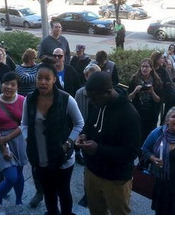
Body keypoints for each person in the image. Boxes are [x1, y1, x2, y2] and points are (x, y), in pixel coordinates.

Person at [75, 71, 141, 215]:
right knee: (97, 213)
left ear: (108, 92)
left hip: (116, 179)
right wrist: (83, 134)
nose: (92, 101)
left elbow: (131, 152)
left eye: (94, 98)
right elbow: (89, 124)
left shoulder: (129, 114)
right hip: (92, 172)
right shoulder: (98, 102)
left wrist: (98, 149)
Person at [22, 63, 84, 215]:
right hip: (39, 156)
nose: (43, 82)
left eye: (47, 78)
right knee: (48, 192)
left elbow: (79, 123)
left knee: (63, 191)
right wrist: (28, 139)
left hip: (61, 156)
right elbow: (23, 124)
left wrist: (68, 143)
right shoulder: (29, 99)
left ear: (54, 79)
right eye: (39, 78)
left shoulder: (66, 99)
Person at [0, 72, 28, 208]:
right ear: (1, 84)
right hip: (0, 142)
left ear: (17, 87)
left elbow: (24, 124)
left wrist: (8, 138)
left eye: (13, 84)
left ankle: (19, 201)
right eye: (6, 83)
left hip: (18, 139)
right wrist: (4, 147)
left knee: (19, 174)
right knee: (11, 177)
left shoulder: (23, 100)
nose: (9, 87)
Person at [74, 63, 101, 206]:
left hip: (101, 136)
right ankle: (88, 193)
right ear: (85, 77)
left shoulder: (105, 94)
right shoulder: (80, 93)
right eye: (91, 77)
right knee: (88, 167)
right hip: (86, 134)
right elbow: (76, 115)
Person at [128, 59, 163, 144]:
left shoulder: (157, 81)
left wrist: (152, 92)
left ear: (151, 68)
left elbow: (159, 100)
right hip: (138, 112)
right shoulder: (135, 79)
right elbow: (128, 98)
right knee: (139, 136)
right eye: (142, 66)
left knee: (150, 136)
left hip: (151, 113)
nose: (144, 69)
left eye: (147, 67)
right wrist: (135, 91)